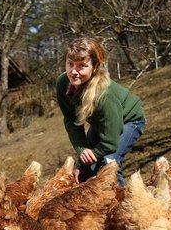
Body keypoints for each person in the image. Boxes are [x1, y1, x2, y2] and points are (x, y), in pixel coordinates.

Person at [56, 36, 146, 186]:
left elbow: (110, 143)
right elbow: (72, 121)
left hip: (129, 120)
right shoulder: (63, 83)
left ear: (95, 66)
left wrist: (93, 155)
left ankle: (121, 206)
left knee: (109, 164)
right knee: (84, 172)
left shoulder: (104, 94)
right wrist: (82, 154)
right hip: (102, 123)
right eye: (70, 64)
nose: (74, 71)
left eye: (82, 66)